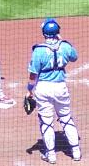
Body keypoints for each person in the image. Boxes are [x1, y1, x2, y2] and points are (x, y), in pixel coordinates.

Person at [26, 18, 81, 164]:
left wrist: (29, 91)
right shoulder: (65, 46)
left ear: (44, 33)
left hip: (43, 89)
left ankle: (50, 155)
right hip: (60, 87)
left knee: (46, 122)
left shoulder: (38, 50)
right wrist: (62, 41)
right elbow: (74, 57)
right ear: (57, 32)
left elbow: (33, 75)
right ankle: (76, 152)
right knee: (66, 118)